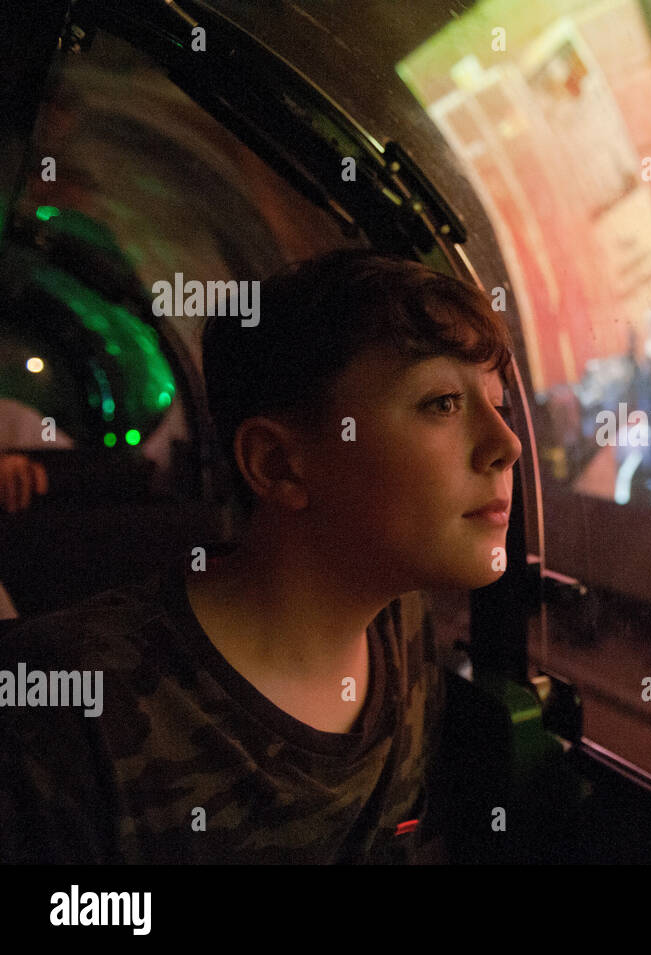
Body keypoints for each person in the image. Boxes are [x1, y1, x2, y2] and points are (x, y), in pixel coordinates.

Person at [0, 249, 521, 862]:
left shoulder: (399, 624)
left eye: (496, 401)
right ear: (277, 464)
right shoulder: (58, 716)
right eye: (442, 403)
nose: (506, 443)